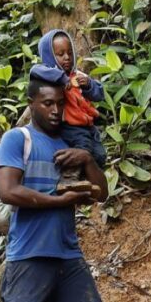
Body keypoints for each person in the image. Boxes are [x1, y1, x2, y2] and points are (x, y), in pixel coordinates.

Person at [0, 75, 108, 302]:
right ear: (32, 104)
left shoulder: (69, 147)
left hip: (67, 253)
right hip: (29, 252)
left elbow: (101, 194)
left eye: (60, 103)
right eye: (48, 103)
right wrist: (55, 201)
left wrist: (86, 159)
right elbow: (8, 190)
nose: (56, 110)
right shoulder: (18, 138)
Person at [33, 29, 107, 191]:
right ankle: (68, 179)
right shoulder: (51, 75)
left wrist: (88, 84)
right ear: (50, 56)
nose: (66, 58)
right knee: (82, 147)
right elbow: (35, 71)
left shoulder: (78, 74)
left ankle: (85, 180)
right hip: (70, 125)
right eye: (60, 54)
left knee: (100, 155)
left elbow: (99, 94)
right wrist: (61, 78)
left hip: (87, 125)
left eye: (69, 53)